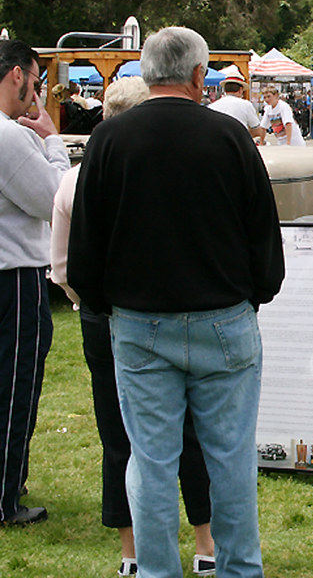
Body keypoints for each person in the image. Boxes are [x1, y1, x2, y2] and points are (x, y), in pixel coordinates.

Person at [68, 26, 285, 576]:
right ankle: (239, 569)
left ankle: (157, 570)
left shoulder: (110, 141)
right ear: (198, 75)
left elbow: (85, 244)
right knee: (231, 462)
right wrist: (255, 295)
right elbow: (263, 231)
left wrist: (104, 304)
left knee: (151, 464)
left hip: (139, 324)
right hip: (224, 318)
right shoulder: (230, 137)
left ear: (145, 73)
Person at [50, 76, 216, 576]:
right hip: (162, 309)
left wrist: (90, 304)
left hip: (104, 314)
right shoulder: (165, 167)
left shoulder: (75, 179)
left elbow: (61, 266)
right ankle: (205, 544)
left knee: (118, 435)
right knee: (187, 429)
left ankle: (133, 552)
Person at [0, 40, 69, 526]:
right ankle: (5, 496)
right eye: (37, 80)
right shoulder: (10, 136)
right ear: (20, 76)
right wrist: (52, 141)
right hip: (14, 279)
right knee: (14, 388)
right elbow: (54, 199)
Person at [209, 74, 260, 138]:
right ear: (240, 90)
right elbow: (257, 129)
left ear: (225, 90)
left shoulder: (212, 106)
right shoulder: (246, 105)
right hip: (238, 143)